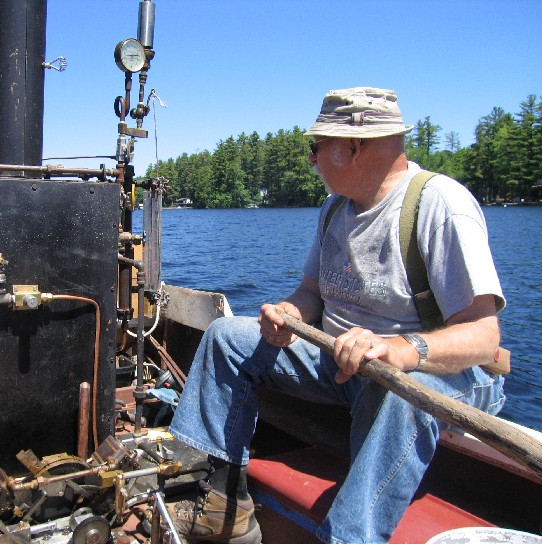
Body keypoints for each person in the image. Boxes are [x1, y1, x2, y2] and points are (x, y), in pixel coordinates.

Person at [167, 87, 506, 544]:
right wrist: (290, 312)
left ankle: (349, 537)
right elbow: (312, 292)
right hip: (344, 364)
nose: (311, 159)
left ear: (353, 147)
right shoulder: (334, 210)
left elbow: (483, 336)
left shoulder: (440, 205)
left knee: (400, 392)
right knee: (227, 337)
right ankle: (222, 503)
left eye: (316, 147)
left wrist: (398, 351)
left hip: (438, 373)